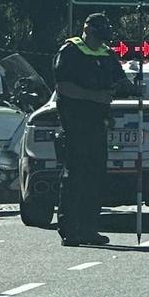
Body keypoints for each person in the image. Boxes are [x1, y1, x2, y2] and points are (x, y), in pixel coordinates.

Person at [53, 13, 137, 246]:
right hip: (75, 123)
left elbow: (118, 81)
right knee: (75, 176)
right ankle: (69, 229)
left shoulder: (106, 54)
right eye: (98, 34)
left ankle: (89, 228)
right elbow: (64, 87)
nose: (101, 40)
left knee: (95, 176)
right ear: (87, 30)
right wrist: (95, 96)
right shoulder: (70, 51)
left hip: (98, 123)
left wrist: (132, 88)